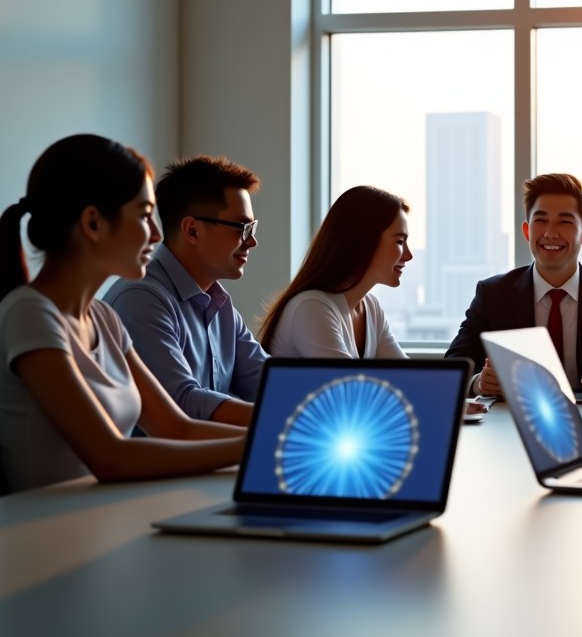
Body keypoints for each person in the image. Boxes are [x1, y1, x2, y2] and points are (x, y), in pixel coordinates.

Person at [0, 135, 246, 495]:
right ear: (93, 223)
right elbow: (111, 458)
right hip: (47, 528)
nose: (157, 235)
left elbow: (176, 428)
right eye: (145, 216)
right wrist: (259, 447)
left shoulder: (104, 318)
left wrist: (275, 438)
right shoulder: (29, 314)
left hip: (104, 515)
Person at [445, 172, 582, 402]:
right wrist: (479, 382)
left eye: (565, 222)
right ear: (527, 231)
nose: (550, 233)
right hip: (514, 418)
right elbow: (452, 367)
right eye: (541, 221)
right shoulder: (494, 294)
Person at [105, 155, 267, 427]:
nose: (252, 241)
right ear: (192, 231)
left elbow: (267, 381)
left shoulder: (219, 304)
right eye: (243, 228)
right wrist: (285, 419)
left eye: (252, 227)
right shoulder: (140, 299)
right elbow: (182, 404)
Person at [259, 185, 411, 358]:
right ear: (362, 241)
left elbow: (406, 372)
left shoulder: (371, 307)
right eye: (399, 241)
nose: (408, 255)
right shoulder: (311, 307)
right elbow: (346, 377)